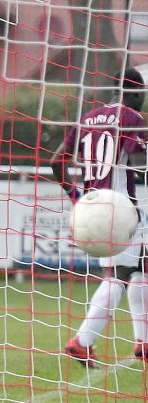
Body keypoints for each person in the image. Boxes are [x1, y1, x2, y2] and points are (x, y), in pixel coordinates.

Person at [50, 68, 148, 368]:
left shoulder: (87, 118)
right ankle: (82, 341)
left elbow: (56, 161)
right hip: (119, 209)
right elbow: (140, 161)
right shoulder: (132, 118)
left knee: (141, 267)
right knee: (119, 275)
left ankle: (143, 341)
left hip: (93, 207)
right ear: (136, 92)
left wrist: (75, 195)